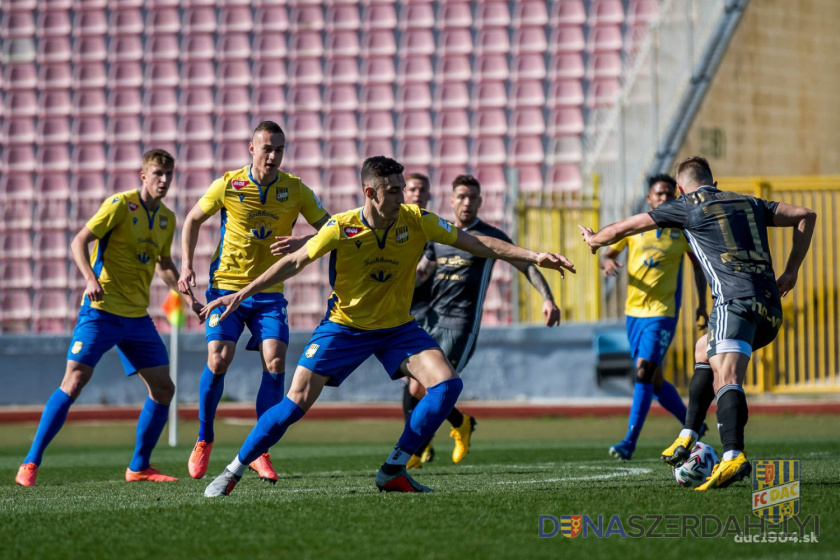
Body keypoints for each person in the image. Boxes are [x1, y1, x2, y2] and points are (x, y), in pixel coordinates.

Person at [200, 156, 575, 496]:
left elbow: (476, 242)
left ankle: (393, 469)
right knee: (294, 403)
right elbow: (296, 261)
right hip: (343, 327)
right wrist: (240, 293)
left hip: (397, 328)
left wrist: (534, 255)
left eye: (402, 189)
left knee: (447, 386)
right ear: (370, 193)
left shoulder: (417, 220)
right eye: (394, 190)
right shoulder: (341, 227)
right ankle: (232, 472)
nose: (402, 196)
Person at [580, 156, 816, 490]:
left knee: (727, 376)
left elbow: (624, 228)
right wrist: (791, 270)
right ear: (714, 182)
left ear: (680, 189)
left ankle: (733, 454)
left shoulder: (686, 206)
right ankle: (687, 435)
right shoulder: (747, 201)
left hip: (734, 302)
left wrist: (595, 240)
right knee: (703, 348)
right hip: (769, 307)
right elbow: (806, 215)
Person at [15, 149, 203, 487]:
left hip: (136, 318)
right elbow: (79, 242)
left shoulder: (167, 219)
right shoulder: (120, 204)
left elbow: (163, 264)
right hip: (100, 312)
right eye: (158, 173)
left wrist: (189, 299)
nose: (164, 180)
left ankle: (139, 467)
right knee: (73, 382)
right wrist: (89, 278)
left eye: (169, 174)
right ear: (143, 175)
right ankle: (30, 463)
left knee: (164, 388)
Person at [178, 121, 331, 483]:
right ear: (252, 149)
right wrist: (186, 264)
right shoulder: (229, 184)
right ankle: (204, 437)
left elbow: (331, 228)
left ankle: (261, 449)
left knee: (276, 360)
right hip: (224, 288)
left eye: (279, 149)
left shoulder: (295, 190)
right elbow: (192, 220)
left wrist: (301, 241)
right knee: (219, 358)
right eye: (268, 148)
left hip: (269, 293)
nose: (274, 155)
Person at [406, 174, 561, 468]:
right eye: (461, 197)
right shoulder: (441, 234)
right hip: (433, 321)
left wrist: (547, 298)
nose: (466, 202)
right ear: (451, 201)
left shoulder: (490, 237)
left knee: (435, 386)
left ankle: (416, 450)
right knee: (415, 386)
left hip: (461, 325)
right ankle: (460, 423)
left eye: (472, 197)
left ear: (480, 201)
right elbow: (421, 274)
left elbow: (526, 267)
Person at [601, 174, 709, 461]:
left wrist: (701, 304)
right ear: (649, 199)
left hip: (662, 314)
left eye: (668, 195)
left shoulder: (683, 232)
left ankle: (629, 442)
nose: (663, 199)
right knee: (656, 379)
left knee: (643, 372)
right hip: (633, 314)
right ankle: (694, 423)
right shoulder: (636, 228)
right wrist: (608, 261)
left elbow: (699, 268)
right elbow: (609, 252)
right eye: (658, 195)